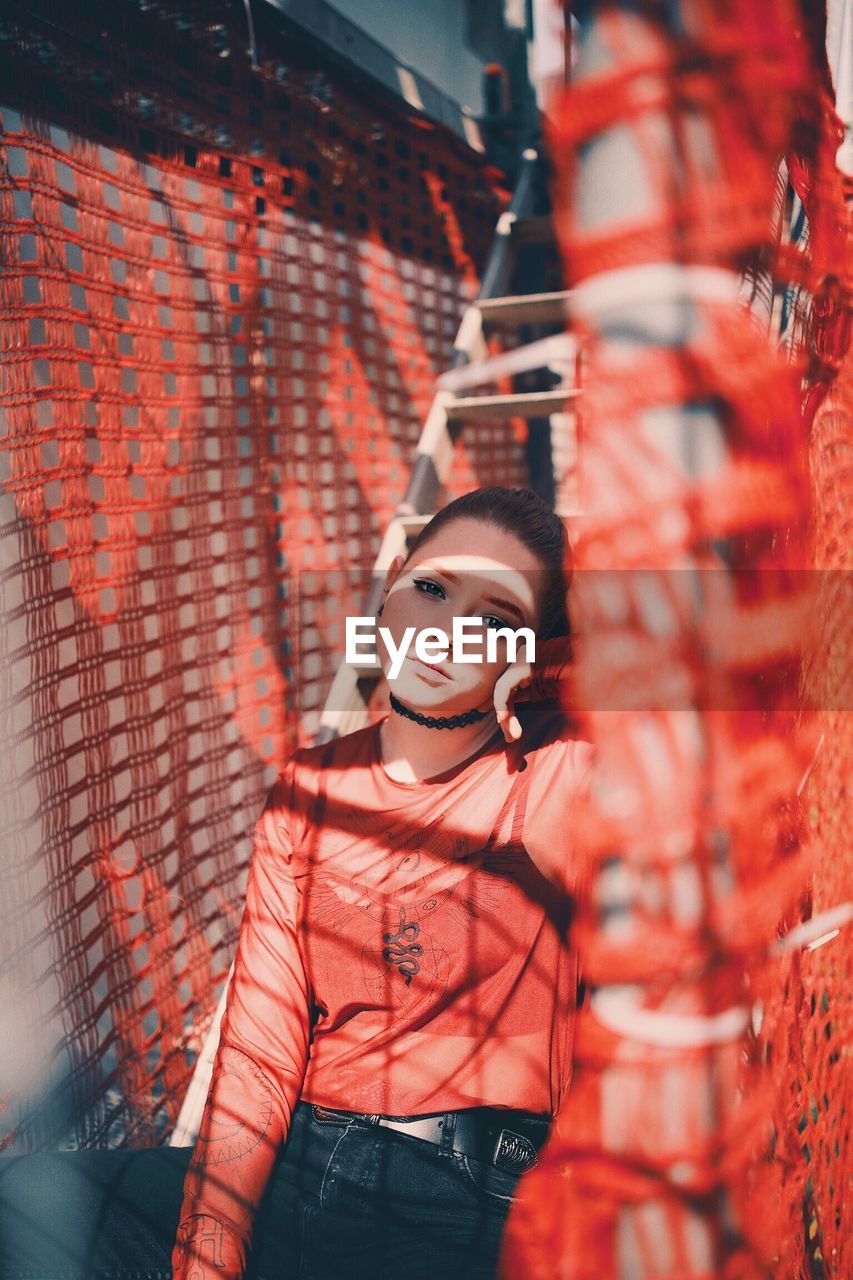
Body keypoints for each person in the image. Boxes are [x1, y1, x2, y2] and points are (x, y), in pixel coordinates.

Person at [0, 486, 593, 1280]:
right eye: (431, 588)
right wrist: (210, 1242)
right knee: (25, 1200)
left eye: (494, 619)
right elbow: (261, 1045)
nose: (447, 630)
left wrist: (561, 663)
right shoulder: (307, 790)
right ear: (391, 588)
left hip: (469, 1197)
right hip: (298, 1161)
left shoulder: (556, 772)